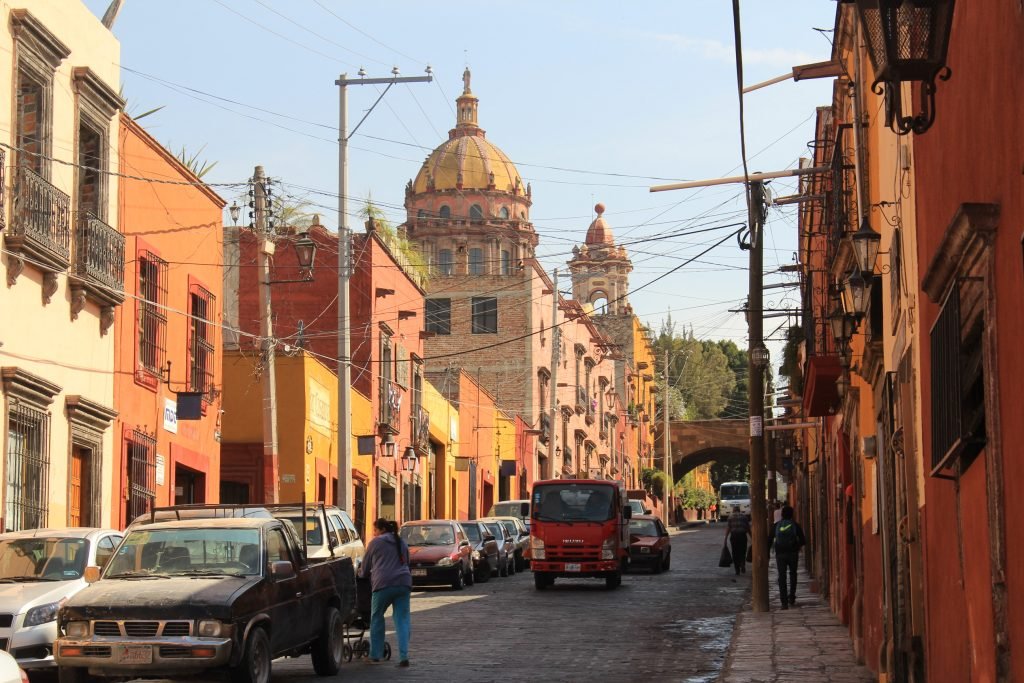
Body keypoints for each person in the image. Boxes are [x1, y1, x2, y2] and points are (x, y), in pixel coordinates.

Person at [359, 518, 412, 666]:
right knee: (402, 619)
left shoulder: (375, 543)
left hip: (383, 584)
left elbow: (365, 568)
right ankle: (404, 656)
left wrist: (361, 573)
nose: (374, 533)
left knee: (376, 617)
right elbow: (407, 562)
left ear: (381, 530)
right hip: (403, 583)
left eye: (375, 530)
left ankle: (375, 654)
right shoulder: (401, 541)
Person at [769, 505, 806, 609]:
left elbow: (769, 539)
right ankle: (792, 597)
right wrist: (796, 546)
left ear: (782, 514)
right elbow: (803, 540)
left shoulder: (776, 525)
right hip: (793, 553)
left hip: (780, 554)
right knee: (793, 574)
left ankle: (783, 602)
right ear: (792, 514)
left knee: (782, 577)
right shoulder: (795, 525)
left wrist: (767, 553)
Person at [724, 505, 751, 576]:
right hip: (742, 536)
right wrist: (752, 537)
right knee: (742, 551)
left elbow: (728, 529)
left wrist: (725, 539)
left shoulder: (730, 517)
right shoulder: (744, 517)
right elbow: (748, 528)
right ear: (739, 510)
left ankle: (737, 570)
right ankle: (742, 563)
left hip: (734, 536)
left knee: (735, 553)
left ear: (733, 510)